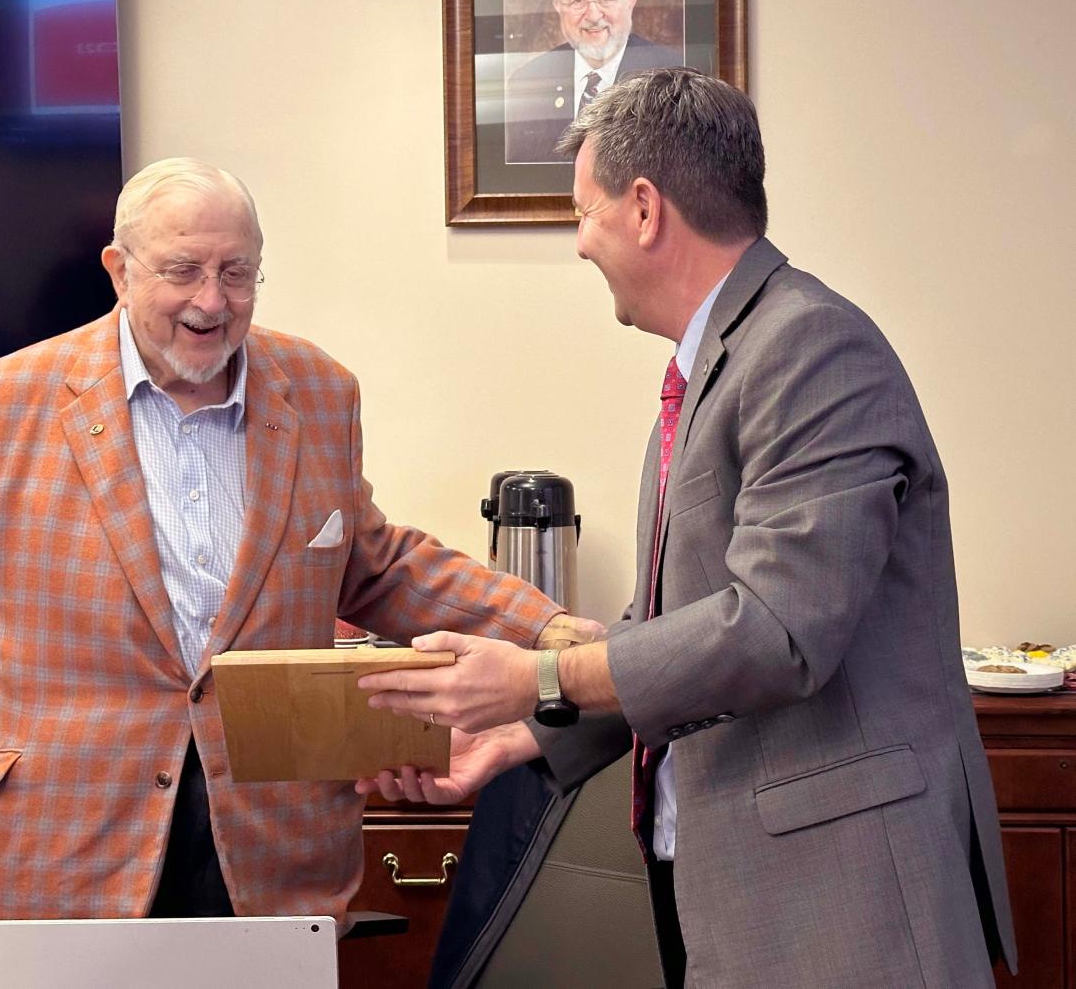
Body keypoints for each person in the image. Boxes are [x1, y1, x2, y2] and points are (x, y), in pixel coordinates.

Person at [360, 70, 1017, 987]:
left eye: (581, 213)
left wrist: (536, 677)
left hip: (844, 901)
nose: (576, 243)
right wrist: (528, 734)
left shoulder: (811, 349)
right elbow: (680, 625)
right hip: (740, 894)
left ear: (642, 208)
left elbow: (776, 631)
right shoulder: (717, 361)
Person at [0, 157, 596, 924]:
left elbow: (375, 563)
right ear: (119, 270)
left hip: (268, 849)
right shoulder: (3, 404)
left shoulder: (317, 390)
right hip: (58, 847)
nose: (212, 302)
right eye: (183, 271)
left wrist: (549, 630)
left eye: (237, 273)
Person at [504, 0, 683, 165]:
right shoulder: (527, 82)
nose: (593, 15)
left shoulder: (675, 78)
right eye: (577, 0)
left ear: (630, 3)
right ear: (559, 8)